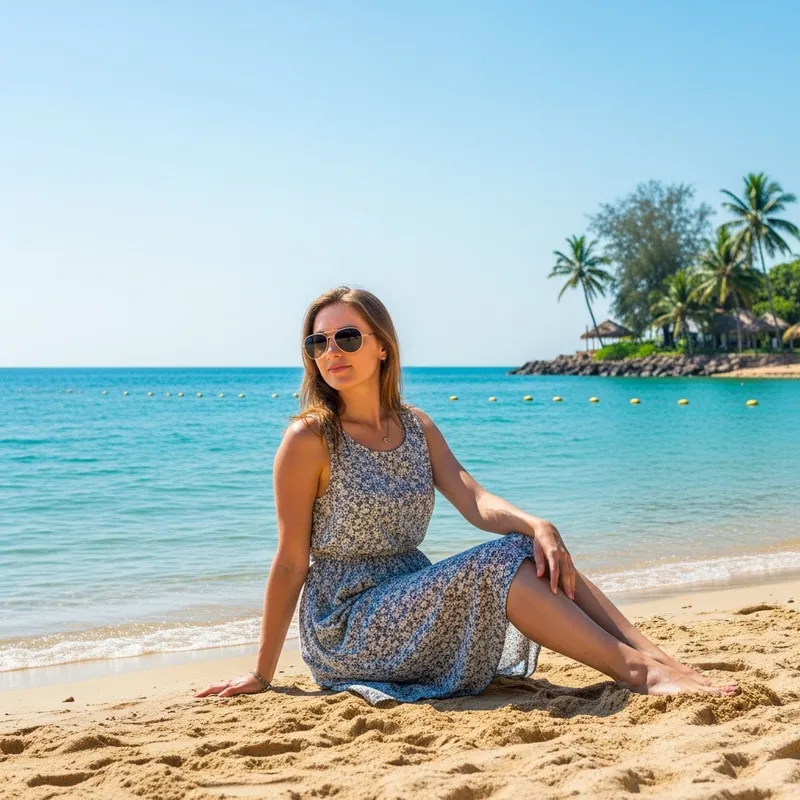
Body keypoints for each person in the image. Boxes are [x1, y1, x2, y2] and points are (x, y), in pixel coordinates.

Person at [195, 286, 740, 705]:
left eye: (348, 337)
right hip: (345, 623)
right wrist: (261, 674)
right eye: (318, 342)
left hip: (409, 594)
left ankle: (653, 657)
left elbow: (474, 500)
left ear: (382, 348)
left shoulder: (416, 427)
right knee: (505, 556)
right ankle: (641, 672)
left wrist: (538, 523)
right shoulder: (309, 440)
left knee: (528, 545)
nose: (331, 351)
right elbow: (291, 562)